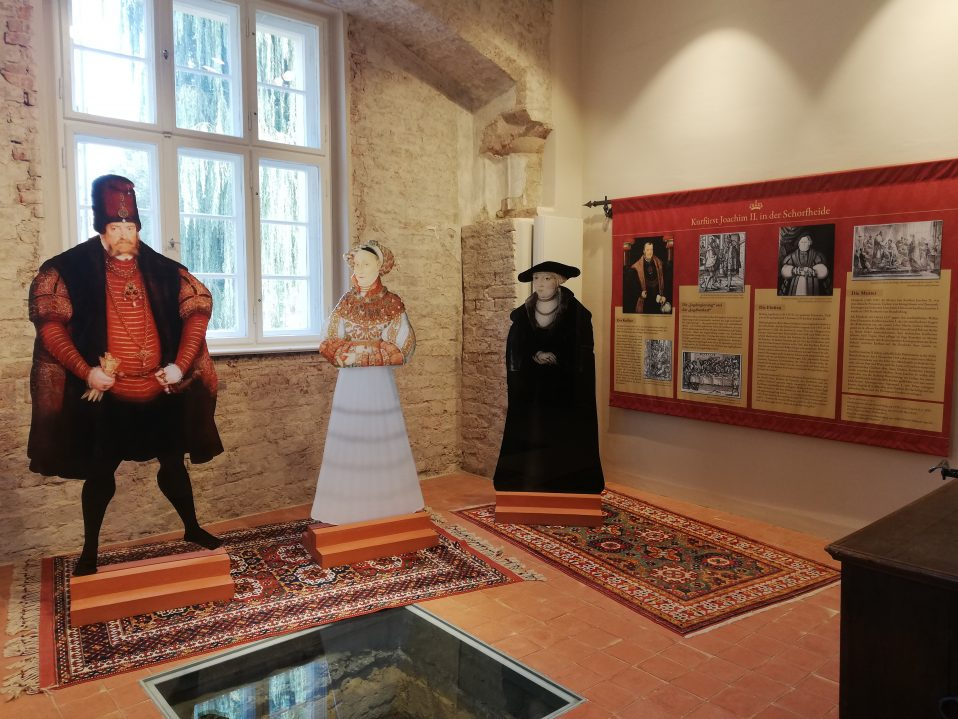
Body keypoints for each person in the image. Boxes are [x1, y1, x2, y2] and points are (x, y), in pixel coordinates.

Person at [27, 175, 223, 575]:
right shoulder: (68, 270)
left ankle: (191, 527)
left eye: (130, 227)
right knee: (100, 473)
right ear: (101, 228)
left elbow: (197, 308)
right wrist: (86, 371)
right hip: (109, 397)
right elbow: (50, 325)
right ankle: (90, 551)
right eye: (115, 227)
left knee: (173, 463)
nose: (123, 235)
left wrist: (179, 365)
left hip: (158, 389)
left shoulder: (163, 270)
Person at [310, 240, 424, 525]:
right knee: (350, 434)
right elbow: (329, 338)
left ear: (380, 267)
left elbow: (402, 344)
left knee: (381, 433)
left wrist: (364, 352)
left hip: (379, 382)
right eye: (356, 264)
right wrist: (357, 351)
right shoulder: (346, 302)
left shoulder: (392, 303)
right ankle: (348, 505)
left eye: (366, 264)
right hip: (350, 383)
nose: (359, 270)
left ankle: (388, 504)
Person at [493, 261, 604, 494]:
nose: (540, 284)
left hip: (564, 390)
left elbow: (583, 350)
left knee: (560, 434)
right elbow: (516, 347)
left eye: (547, 278)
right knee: (530, 432)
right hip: (530, 389)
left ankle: (563, 485)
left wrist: (559, 358)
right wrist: (535, 354)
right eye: (536, 278)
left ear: (559, 281)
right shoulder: (522, 315)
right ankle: (527, 483)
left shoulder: (577, 314)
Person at [631, 241, 668, 312]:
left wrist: (664, 296)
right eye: (648, 250)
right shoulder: (636, 267)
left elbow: (665, 281)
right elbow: (633, 286)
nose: (650, 252)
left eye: (651, 250)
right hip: (645, 300)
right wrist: (640, 293)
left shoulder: (659, 263)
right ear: (644, 251)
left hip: (658, 299)